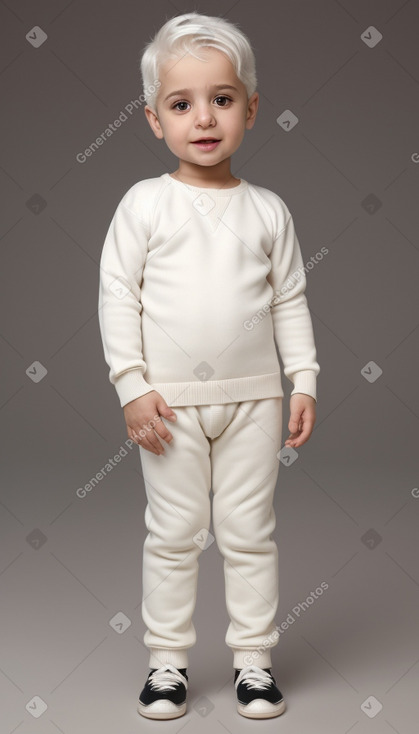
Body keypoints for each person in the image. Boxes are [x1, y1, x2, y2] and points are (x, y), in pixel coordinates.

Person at [98, 11, 320, 721]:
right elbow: (115, 297)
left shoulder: (267, 211)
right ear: (153, 118)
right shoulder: (144, 204)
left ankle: (253, 662)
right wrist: (132, 387)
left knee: (249, 533)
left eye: (222, 99)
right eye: (181, 102)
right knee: (174, 534)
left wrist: (303, 379)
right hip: (168, 407)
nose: (203, 118)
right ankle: (167, 663)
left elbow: (288, 297)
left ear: (251, 110)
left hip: (254, 400)